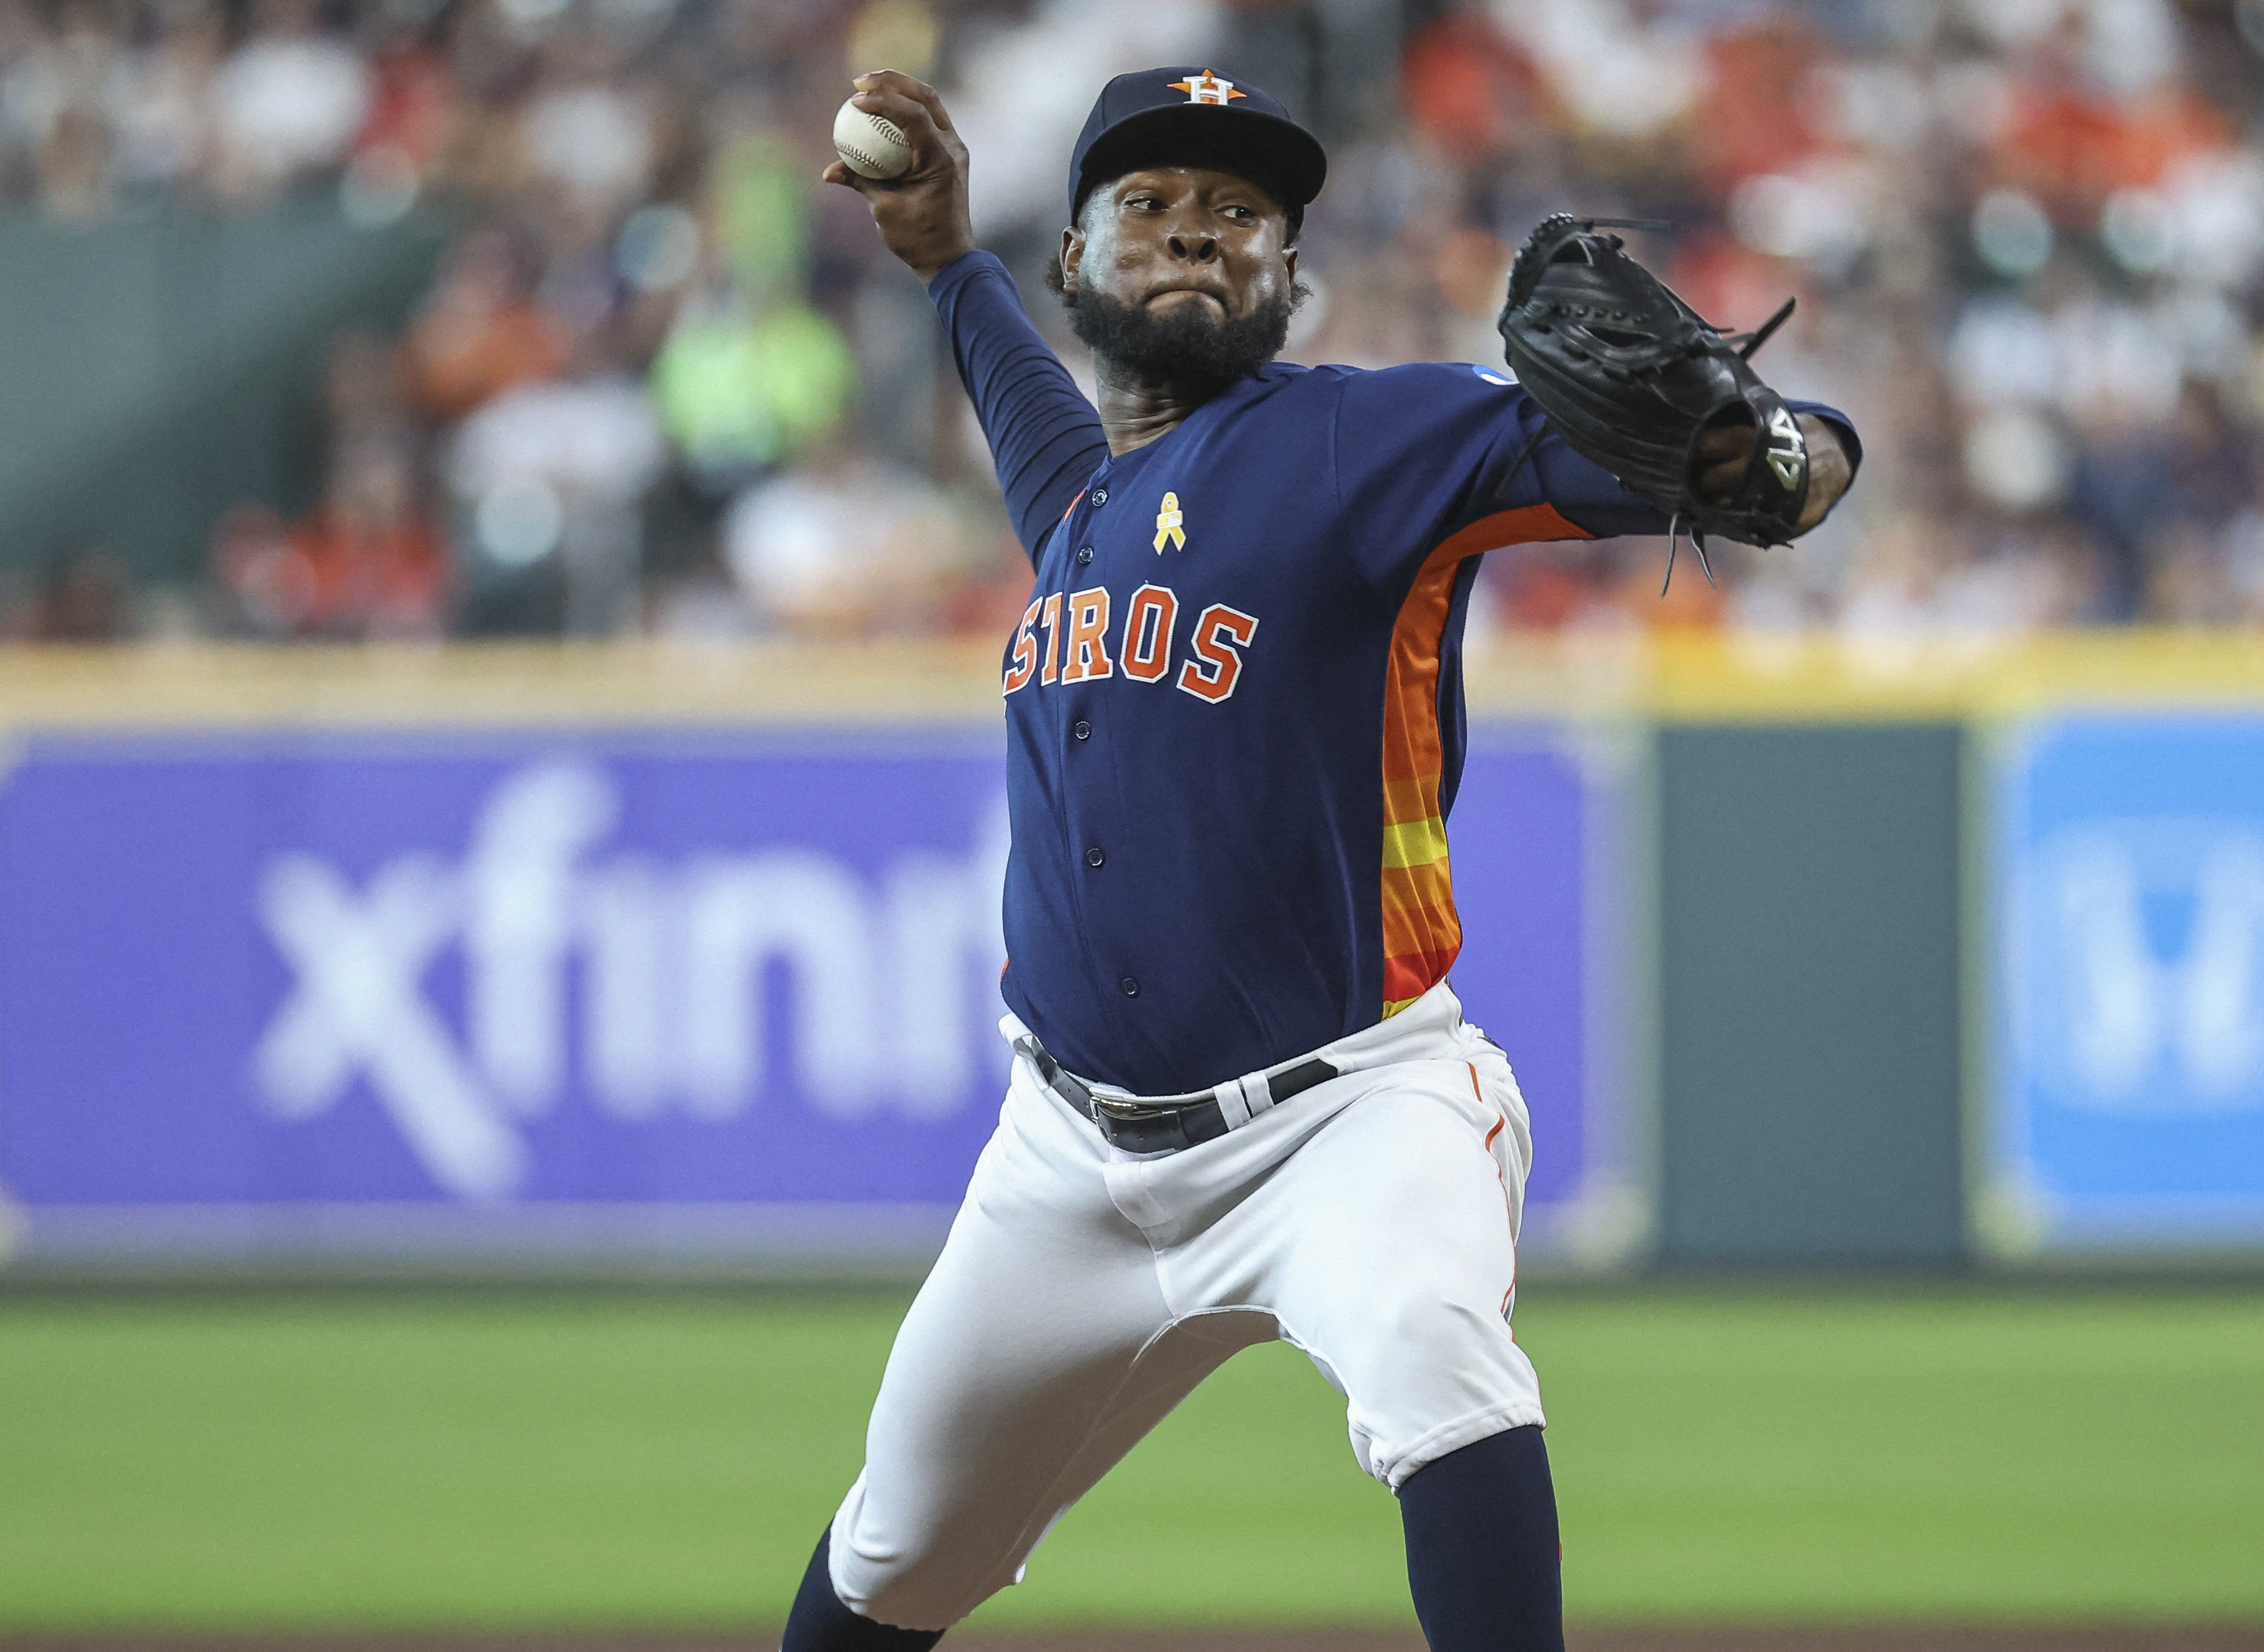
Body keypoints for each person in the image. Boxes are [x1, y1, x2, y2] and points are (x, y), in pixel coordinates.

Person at [782, 66, 1859, 1652]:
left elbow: (1760, 465)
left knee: (1434, 1347)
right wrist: (948, 258)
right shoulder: (1078, 499)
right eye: (1149, 208)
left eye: (1242, 217)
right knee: (892, 1555)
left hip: (1349, 1116)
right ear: (1075, 263)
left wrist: (1780, 454)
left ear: (1292, 280)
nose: (1200, 235)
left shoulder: (1367, 438)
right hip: (1067, 1164)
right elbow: (1018, 388)